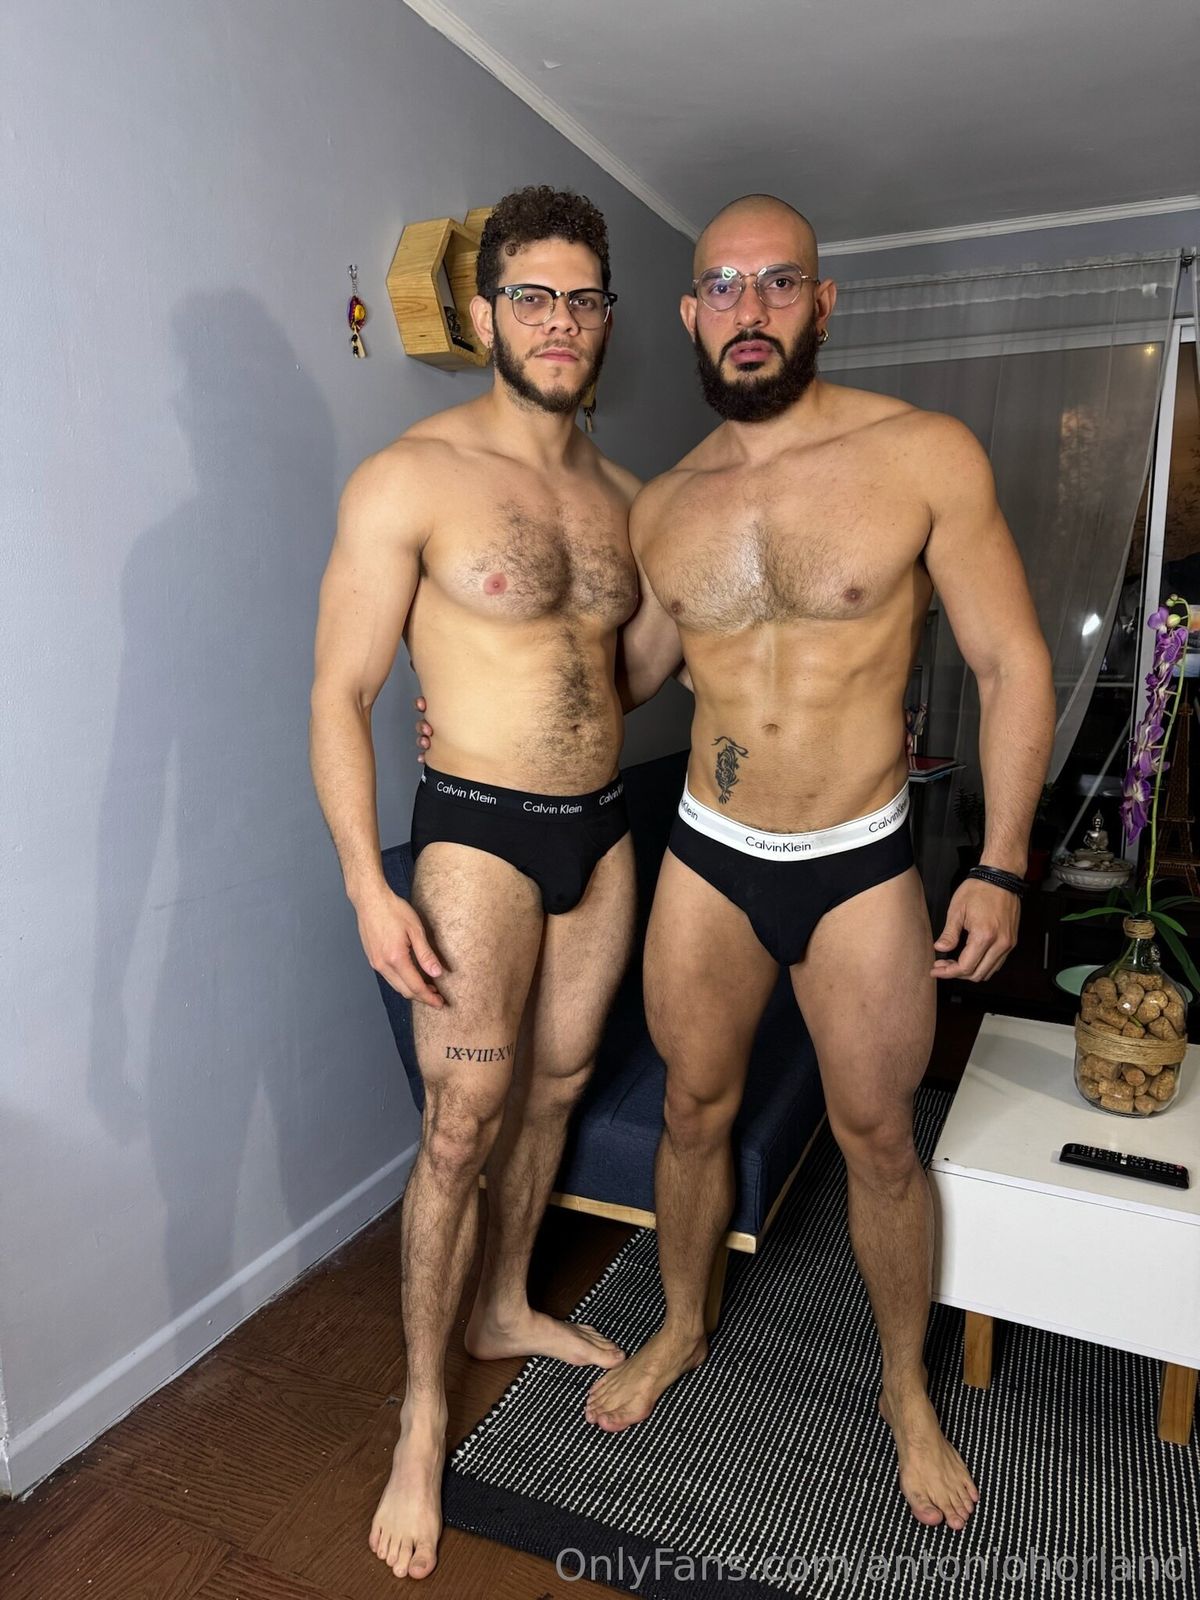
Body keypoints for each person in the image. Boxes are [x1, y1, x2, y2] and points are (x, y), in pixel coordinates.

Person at [575, 194, 1054, 1532]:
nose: (750, 310)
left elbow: (1014, 661)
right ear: (690, 315)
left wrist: (1002, 863)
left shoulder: (923, 455)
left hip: (857, 860)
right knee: (692, 1110)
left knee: (880, 1137)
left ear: (823, 303)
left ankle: (904, 1389)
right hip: (710, 855)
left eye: (778, 283)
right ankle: (680, 1324)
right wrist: (494, 705)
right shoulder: (665, 506)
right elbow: (630, 681)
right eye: (723, 288)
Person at [309, 185, 680, 1582]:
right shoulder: (408, 478)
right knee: (462, 1122)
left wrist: (688, 610)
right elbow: (339, 694)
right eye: (533, 296)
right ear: (485, 315)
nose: (560, 321)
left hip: (599, 834)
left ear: (606, 318)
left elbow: (618, 680)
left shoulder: (628, 500)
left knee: (557, 1088)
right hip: (473, 835)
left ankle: (505, 1304)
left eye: (584, 299)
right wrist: (369, 882)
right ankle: (421, 1414)